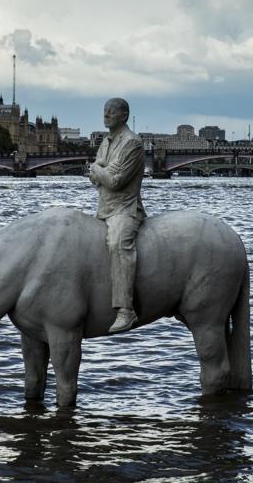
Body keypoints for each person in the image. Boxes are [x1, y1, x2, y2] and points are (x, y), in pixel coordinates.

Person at [89, 98, 147, 333]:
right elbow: (97, 176)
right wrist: (99, 171)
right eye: (104, 110)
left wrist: (97, 169)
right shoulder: (106, 141)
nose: (106, 114)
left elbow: (114, 181)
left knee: (118, 245)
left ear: (124, 115)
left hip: (125, 209)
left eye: (111, 111)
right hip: (103, 210)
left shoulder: (132, 143)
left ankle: (126, 310)